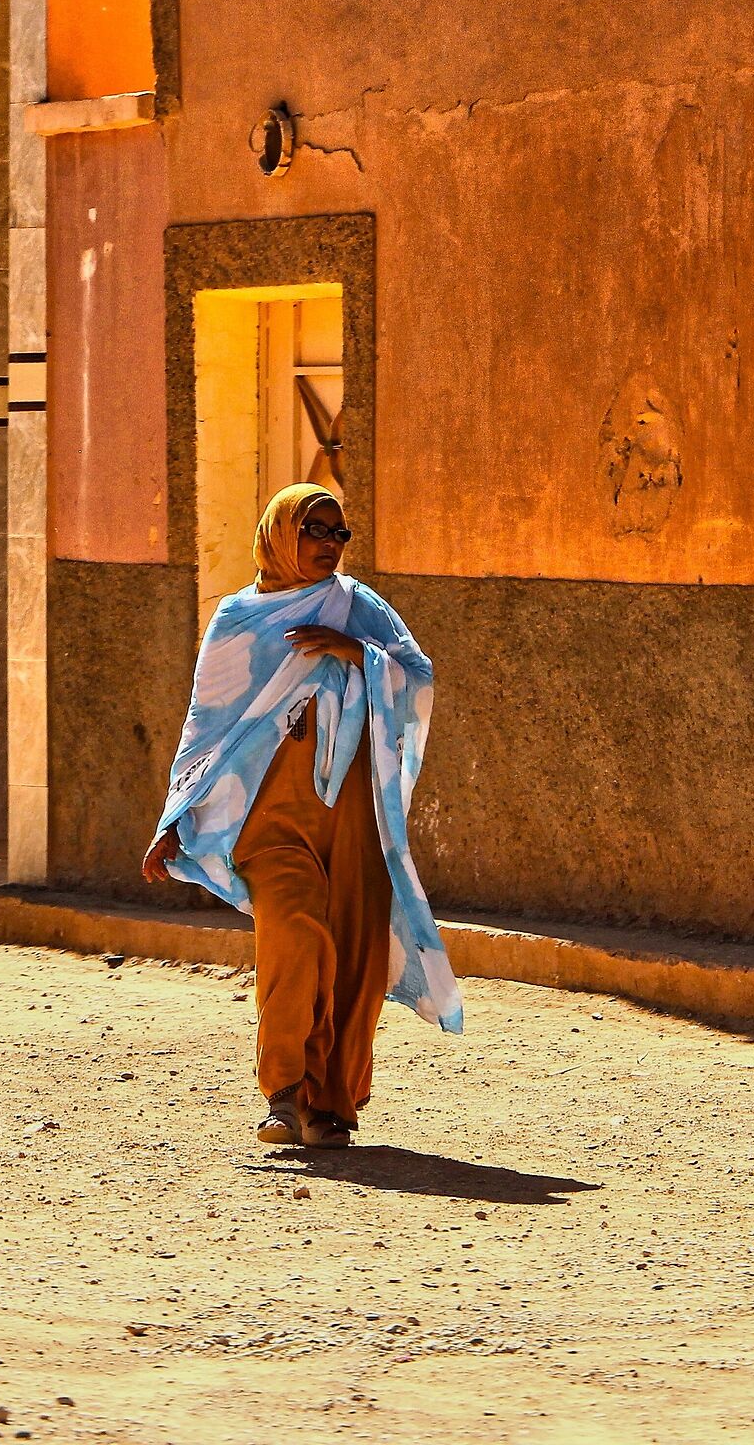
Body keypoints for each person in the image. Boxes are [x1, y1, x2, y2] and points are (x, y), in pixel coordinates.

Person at [141, 484, 464, 1148]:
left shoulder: (355, 606)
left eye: (340, 534)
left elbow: (418, 678)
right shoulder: (235, 621)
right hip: (269, 821)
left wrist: (355, 653)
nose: (328, 545)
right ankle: (284, 1094)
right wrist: (173, 820)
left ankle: (330, 1105)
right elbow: (207, 729)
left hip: (349, 817)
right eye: (315, 529)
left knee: (353, 955)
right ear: (281, 532)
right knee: (296, 933)